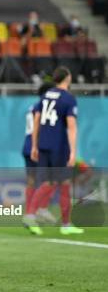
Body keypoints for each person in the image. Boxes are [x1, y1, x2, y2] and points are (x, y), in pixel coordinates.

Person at [26, 67, 84, 235]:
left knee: (61, 183)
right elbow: (71, 127)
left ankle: (66, 224)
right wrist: (73, 152)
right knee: (55, 182)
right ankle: (30, 215)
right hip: (58, 145)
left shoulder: (46, 96)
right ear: (68, 78)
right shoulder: (68, 99)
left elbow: (37, 120)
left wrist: (35, 145)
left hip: (43, 144)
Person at [21, 82, 57, 225]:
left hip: (27, 145)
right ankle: (40, 209)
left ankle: (30, 212)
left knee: (31, 180)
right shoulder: (46, 107)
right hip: (39, 145)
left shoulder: (32, 106)